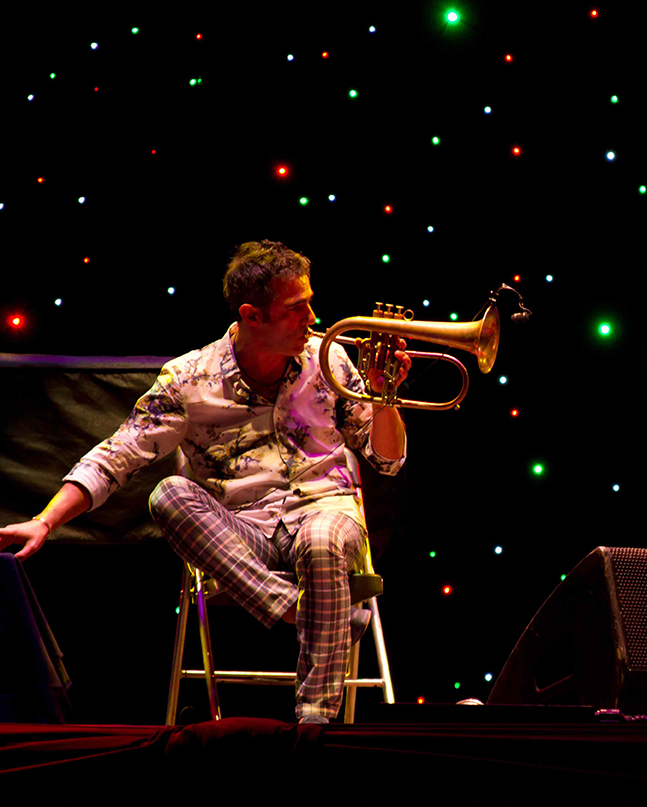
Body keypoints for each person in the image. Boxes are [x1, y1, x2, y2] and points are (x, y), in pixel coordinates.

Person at [0, 240, 409, 724]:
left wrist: (386, 397)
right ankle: (298, 610)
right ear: (251, 315)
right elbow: (117, 454)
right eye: (296, 308)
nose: (313, 317)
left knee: (321, 539)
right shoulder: (189, 377)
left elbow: (387, 462)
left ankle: (314, 725)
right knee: (167, 494)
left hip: (325, 514)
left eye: (310, 303)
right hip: (243, 533)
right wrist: (46, 521)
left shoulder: (332, 360)